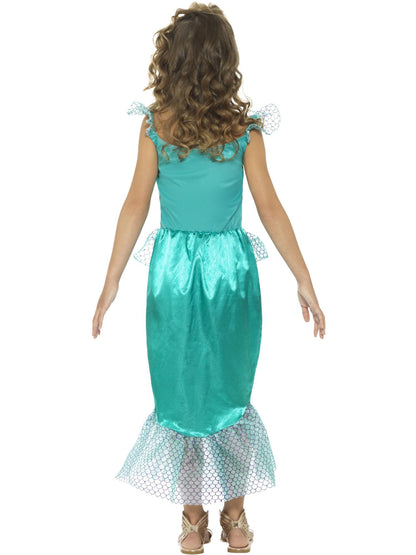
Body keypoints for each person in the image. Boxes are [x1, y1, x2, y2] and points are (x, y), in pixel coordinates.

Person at [92, 3, 326, 553]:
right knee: (227, 394)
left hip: (173, 274)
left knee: (185, 394)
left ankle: (193, 520)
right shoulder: (242, 131)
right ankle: (234, 516)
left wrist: (113, 280)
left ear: (170, 62)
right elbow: (270, 209)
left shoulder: (158, 128)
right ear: (225, 63)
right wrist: (303, 279)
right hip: (229, 276)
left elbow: (135, 205)